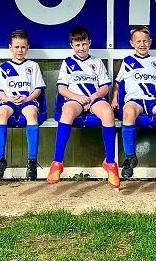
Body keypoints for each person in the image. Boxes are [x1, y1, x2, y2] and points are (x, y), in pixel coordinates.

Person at [47, 25, 120, 189]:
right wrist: (78, 97)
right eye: (77, 44)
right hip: (75, 99)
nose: (81, 48)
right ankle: (57, 162)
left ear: (90, 43)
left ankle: (110, 163)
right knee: (67, 111)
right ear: (72, 45)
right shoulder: (68, 63)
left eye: (84, 44)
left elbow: (104, 87)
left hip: (94, 98)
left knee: (108, 112)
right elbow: (61, 88)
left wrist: (93, 96)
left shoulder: (97, 62)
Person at [112, 25, 156, 179]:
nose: (142, 44)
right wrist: (114, 99)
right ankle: (130, 158)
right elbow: (117, 83)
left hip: (155, 100)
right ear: (132, 43)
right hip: (135, 100)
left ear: (150, 42)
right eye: (138, 41)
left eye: (145, 41)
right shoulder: (127, 61)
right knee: (128, 112)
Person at [0, 29, 46, 181]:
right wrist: (8, 98)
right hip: (9, 100)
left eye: (23, 47)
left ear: (27, 47)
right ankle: (0, 161)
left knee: (32, 114)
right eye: (16, 47)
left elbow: (38, 90)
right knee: (1, 114)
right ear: (10, 48)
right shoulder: (4, 67)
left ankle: (32, 161)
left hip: (27, 100)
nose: (20, 50)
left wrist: (28, 98)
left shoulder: (33, 66)